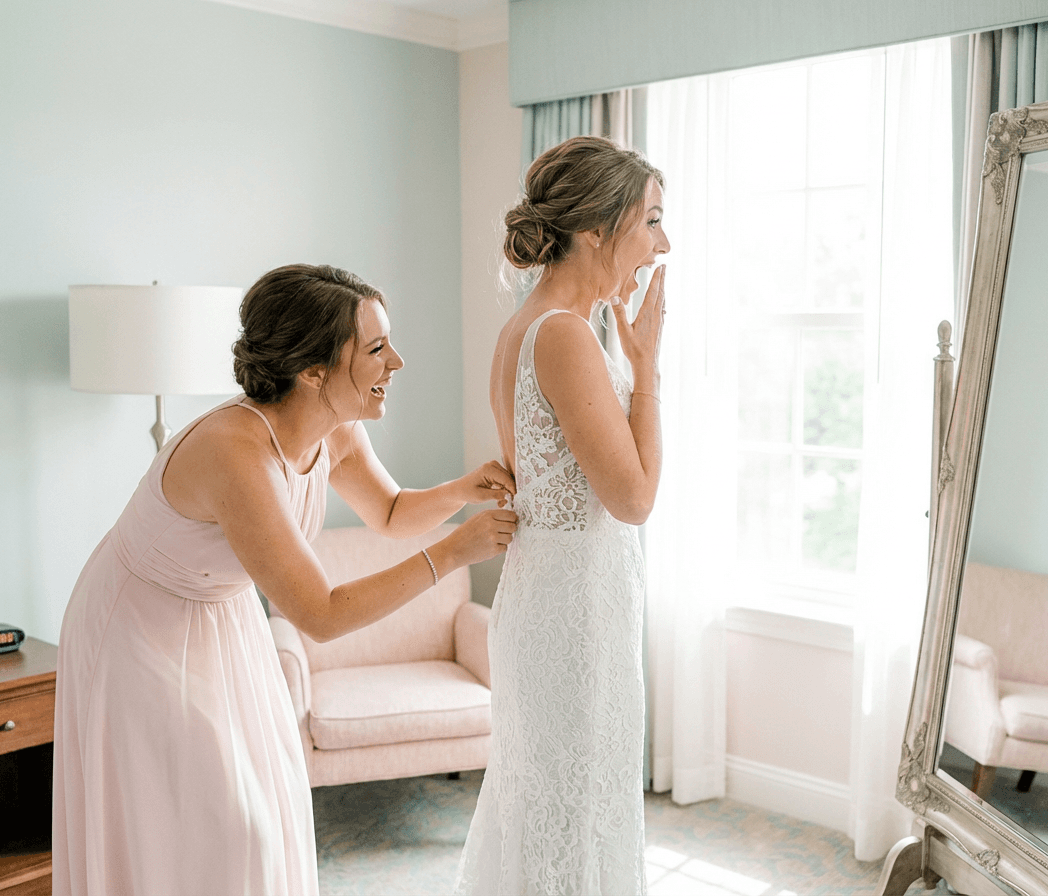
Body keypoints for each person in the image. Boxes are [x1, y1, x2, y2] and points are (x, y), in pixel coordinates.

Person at [53, 263, 518, 895]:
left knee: (268, 808)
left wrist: (462, 490)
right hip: (138, 627)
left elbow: (389, 511)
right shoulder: (235, 452)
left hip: (224, 615)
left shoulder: (336, 429)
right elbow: (321, 614)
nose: (398, 362)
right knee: (209, 825)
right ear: (314, 372)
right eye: (377, 348)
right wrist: (455, 552)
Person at [454, 136, 670, 894]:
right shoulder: (565, 335)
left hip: (556, 598)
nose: (662, 244)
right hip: (574, 616)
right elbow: (633, 500)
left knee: (551, 812)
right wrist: (647, 370)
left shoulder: (527, 327)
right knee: (574, 818)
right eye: (651, 220)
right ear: (597, 229)